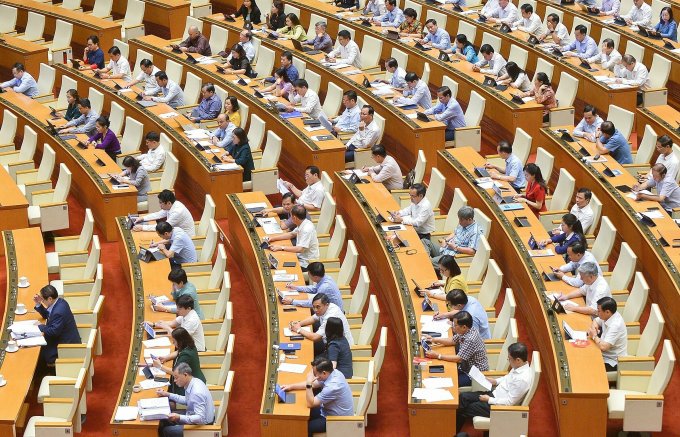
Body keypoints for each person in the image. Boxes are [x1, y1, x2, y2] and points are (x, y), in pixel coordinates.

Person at [456, 342, 533, 429]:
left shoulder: (522, 380)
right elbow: (507, 378)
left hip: (497, 406)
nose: (508, 360)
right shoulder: (519, 367)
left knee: (464, 408)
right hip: (494, 394)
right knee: (463, 397)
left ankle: (451, 431)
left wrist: (489, 399)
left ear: (518, 360)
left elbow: (509, 402)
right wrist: (495, 381)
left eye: (509, 359)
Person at [280, 357, 353, 437]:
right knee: (301, 415)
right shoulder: (333, 372)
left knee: (304, 426)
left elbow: (310, 403)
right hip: (327, 410)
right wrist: (291, 386)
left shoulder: (332, 387)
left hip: (336, 420)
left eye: (315, 374)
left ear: (324, 373)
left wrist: (308, 383)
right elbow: (314, 384)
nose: (313, 376)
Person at [424, 311, 489, 387]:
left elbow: (458, 359)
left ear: (464, 327)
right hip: (465, 367)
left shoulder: (470, 339)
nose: (453, 326)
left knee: (449, 384)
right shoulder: (467, 330)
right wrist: (434, 339)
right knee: (444, 373)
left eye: (455, 325)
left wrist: (438, 356)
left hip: (475, 374)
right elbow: (453, 340)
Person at [156, 362, 215, 436]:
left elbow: (200, 418)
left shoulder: (196, 392)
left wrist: (179, 417)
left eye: (176, 377)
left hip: (203, 425)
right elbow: (187, 400)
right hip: (193, 414)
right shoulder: (193, 381)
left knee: (166, 431)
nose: (174, 380)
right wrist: (168, 394)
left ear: (185, 375)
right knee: (165, 419)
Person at [33, 285, 81, 372]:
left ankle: (46, 372)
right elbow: (48, 315)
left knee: (38, 351)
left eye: (42, 299)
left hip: (65, 346)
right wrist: (38, 304)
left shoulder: (58, 311)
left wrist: (40, 326)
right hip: (63, 336)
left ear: (50, 299)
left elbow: (53, 332)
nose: (41, 300)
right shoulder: (60, 302)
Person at [289, 293, 355, 348]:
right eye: (314, 307)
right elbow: (314, 318)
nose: (315, 310)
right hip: (330, 342)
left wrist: (298, 329)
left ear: (326, 304)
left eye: (318, 307)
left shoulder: (331, 317)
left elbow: (315, 337)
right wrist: (299, 324)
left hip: (340, 348)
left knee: (306, 347)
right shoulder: (328, 306)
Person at [152, 327, 206, 395]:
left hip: (190, 386)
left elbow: (175, 373)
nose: (173, 343)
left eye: (174, 341)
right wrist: (166, 358)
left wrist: (160, 366)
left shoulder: (186, 355)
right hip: (192, 379)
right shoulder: (189, 345)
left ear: (180, 342)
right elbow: (178, 352)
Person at [267, 205, 320, 270]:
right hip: (300, 256)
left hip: (307, 263)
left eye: (291, 216)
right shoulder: (303, 223)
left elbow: (300, 249)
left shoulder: (307, 229)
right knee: (278, 258)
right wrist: (273, 238)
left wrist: (281, 247)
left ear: (294, 217)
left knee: (279, 266)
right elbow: (291, 234)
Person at [588, 297, 628, 371]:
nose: (597, 312)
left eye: (599, 311)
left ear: (607, 312)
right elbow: (595, 321)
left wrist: (594, 336)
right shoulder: (609, 315)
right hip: (603, 353)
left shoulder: (616, 325)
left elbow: (604, 347)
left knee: (588, 366)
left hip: (612, 361)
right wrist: (595, 329)